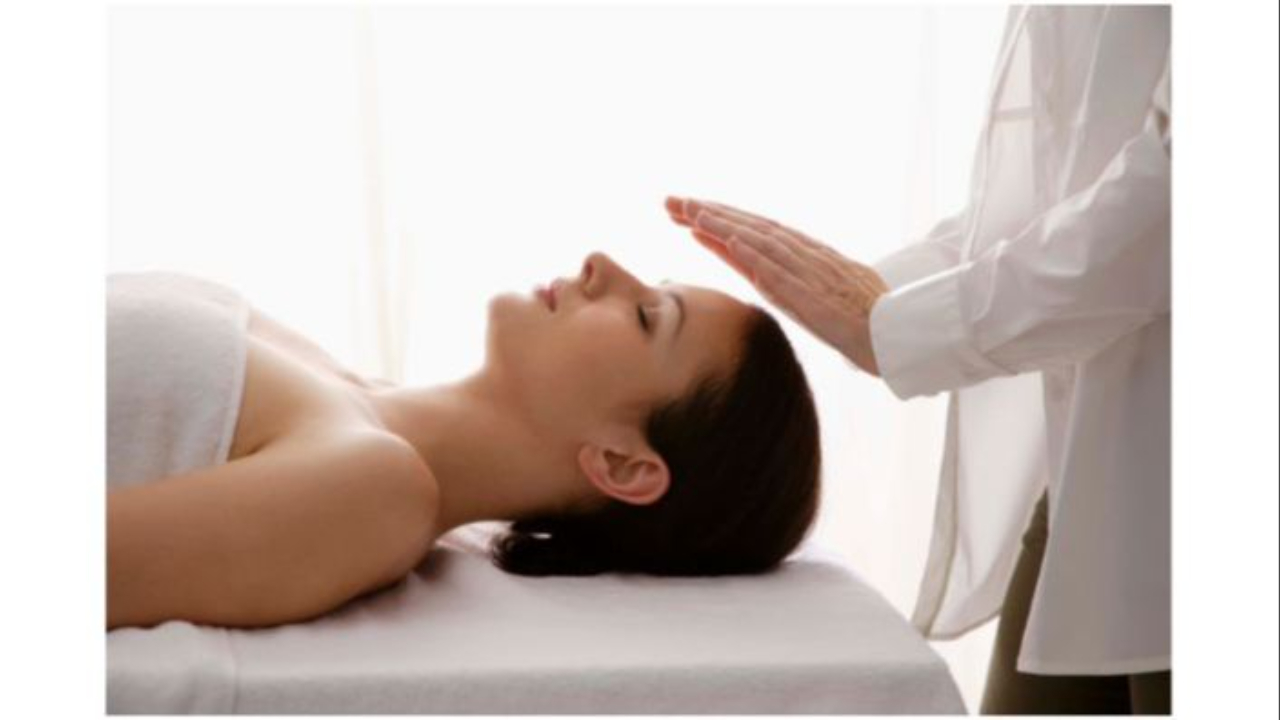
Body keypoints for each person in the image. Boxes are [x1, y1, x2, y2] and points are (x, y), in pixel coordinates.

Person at [665, 5, 1170, 714]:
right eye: (654, 313)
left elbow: (1175, 198)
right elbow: (1054, 195)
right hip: (1097, 467)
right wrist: (864, 300)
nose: (597, 267)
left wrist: (896, 325)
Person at [106, 251, 821, 630]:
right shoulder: (338, 381)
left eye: (645, 315)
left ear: (624, 465)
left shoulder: (374, 490)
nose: (601, 262)